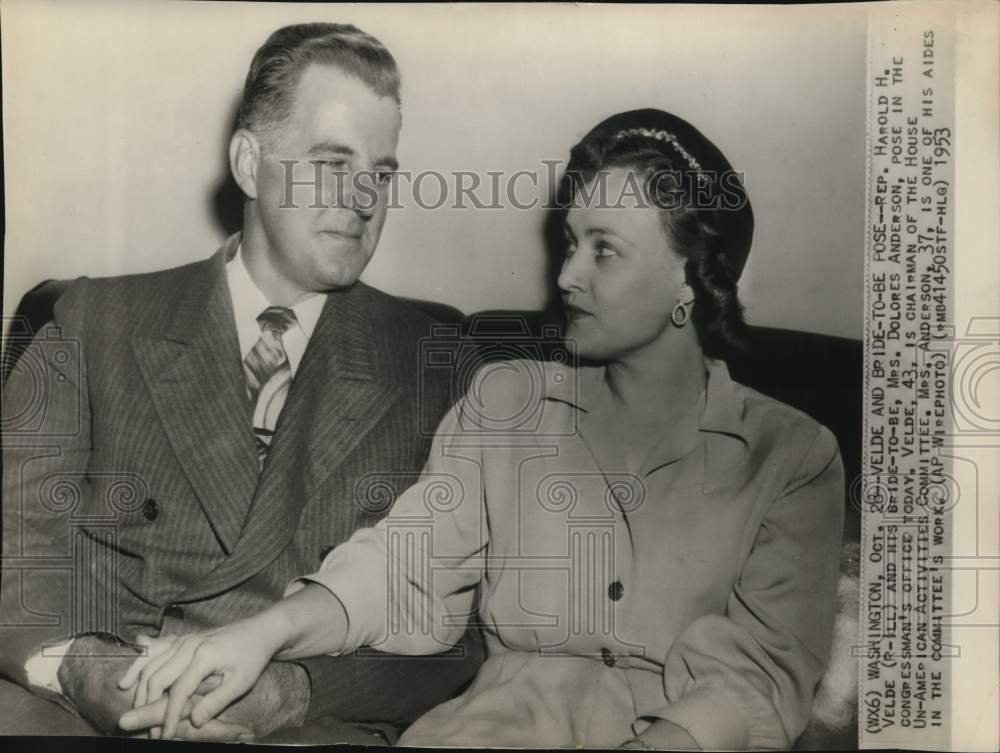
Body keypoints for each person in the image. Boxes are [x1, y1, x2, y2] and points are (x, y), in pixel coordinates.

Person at [117, 109, 846, 749]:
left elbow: (760, 674)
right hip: (490, 729)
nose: (566, 276)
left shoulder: (794, 456)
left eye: (604, 248)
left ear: (688, 277)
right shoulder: (506, 402)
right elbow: (407, 563)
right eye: (569, 243)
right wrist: (265, 632)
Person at [0, 23, 483, 742]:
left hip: (305, 721)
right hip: (86, 704)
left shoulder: (437, 363)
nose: (363, 198)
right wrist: (87, 670)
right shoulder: (90, 319)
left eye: (382, 173)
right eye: (332, 161)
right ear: (250, 164)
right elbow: (16, 549)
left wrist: (288, 690)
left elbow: (459, 631)